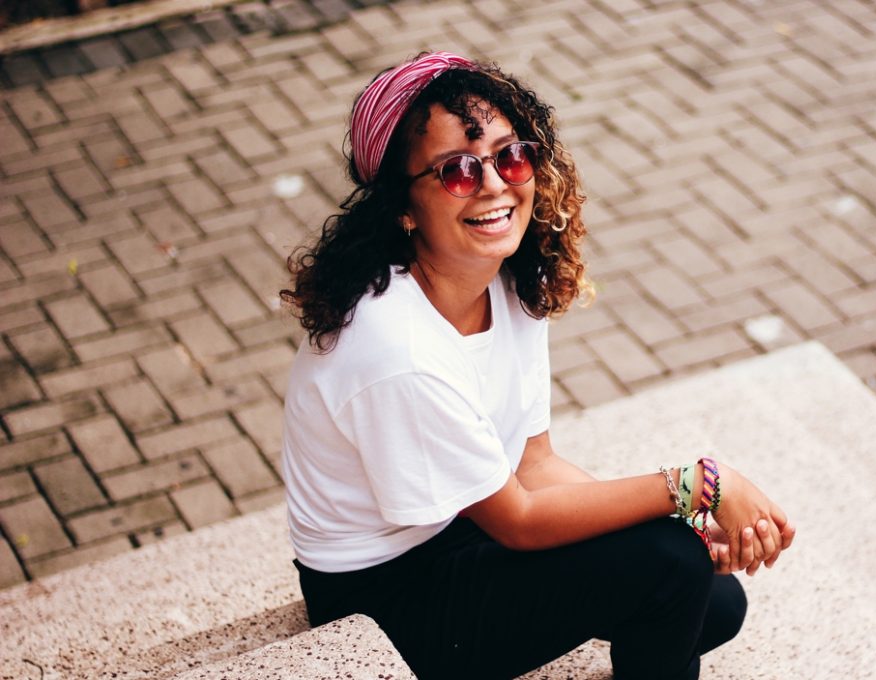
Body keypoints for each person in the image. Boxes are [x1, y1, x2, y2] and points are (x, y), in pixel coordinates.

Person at [279, 51, 795, 680]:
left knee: (712, 599)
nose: (495, 185)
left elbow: (534, 464)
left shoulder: (507, 283)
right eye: (457, 170)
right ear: (401, 207)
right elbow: (520, 522)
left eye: (510, 156)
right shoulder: (396, 351)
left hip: (457, 523)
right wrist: (698, 486)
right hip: (385, 597)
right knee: (671, 566)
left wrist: (677, 523)